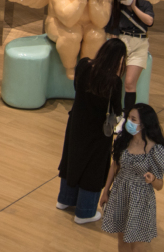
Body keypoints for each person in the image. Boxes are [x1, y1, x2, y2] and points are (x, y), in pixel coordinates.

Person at [56, 37, 126, 224]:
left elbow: (76, 88)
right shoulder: (114, 81)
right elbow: (117, 109)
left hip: (76, 123)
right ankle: (84, 212)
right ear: (119, 59)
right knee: (93, 168)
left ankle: (65, 199)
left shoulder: (84, 65)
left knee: (72, 158)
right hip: (98, 131)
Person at [101, 103, 164, 250]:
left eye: (133, 119)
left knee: (138, 244)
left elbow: (160, 185)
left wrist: (153, 180)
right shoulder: (123, 140)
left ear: (144, 124)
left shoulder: (156, 150)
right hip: (120, 194)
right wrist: (106, 191)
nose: (129, 122)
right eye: (128, 118)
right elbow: (115, 166)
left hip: (141, 200)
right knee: (122, 240)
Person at [107, 0, 153, 114]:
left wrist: (134, 7)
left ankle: (127, 114)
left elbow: (149, 22)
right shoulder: (116, 9)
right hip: (122, 42)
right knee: (114, 79)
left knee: (129, 83)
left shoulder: (144, 4)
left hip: (139, 43)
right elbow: (114, 32)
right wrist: (114, 52)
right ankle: (115, 112)